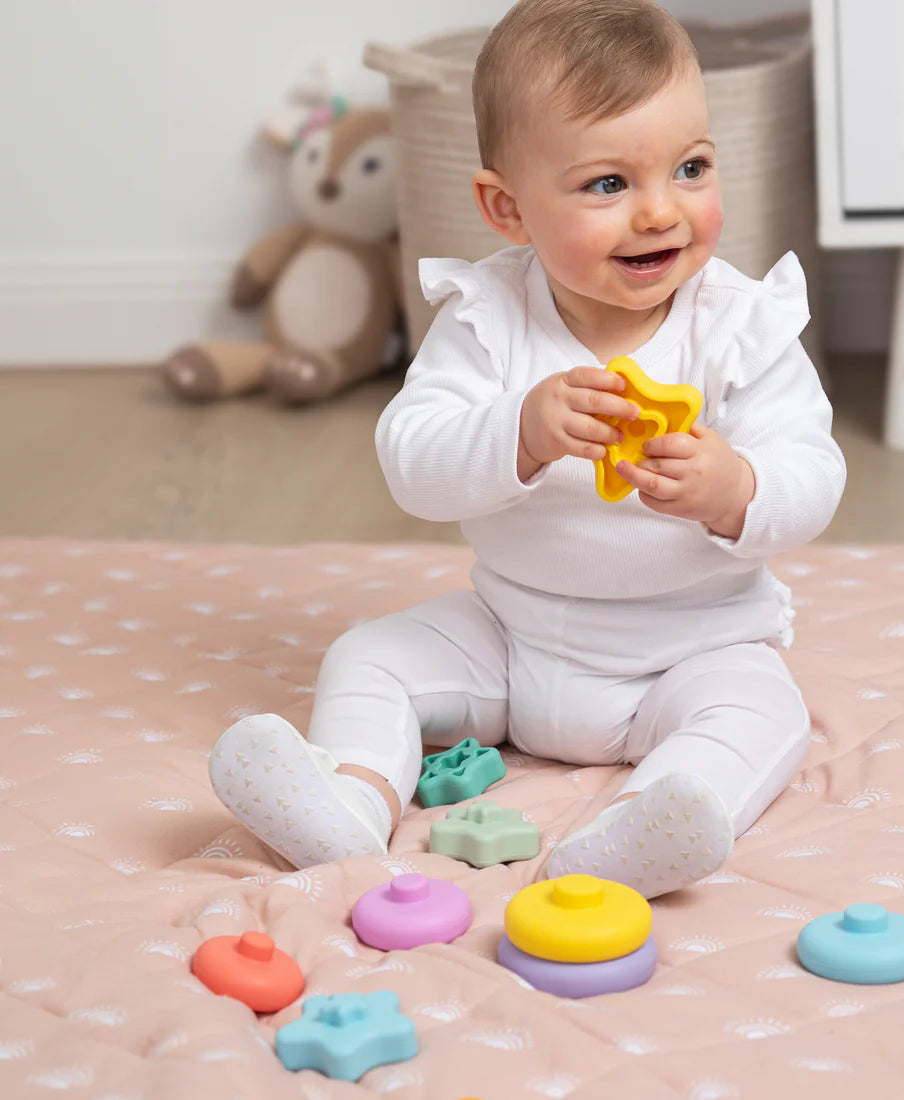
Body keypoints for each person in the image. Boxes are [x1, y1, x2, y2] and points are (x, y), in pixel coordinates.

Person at [208, 0, 845, 898]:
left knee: (765, 709)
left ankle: (646, 826)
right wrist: (517, 433)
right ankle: (347, 801)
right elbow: (411, 461)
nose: (660, 211)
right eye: (607, 185)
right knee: (368, 653)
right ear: (507, 207)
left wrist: (735, 487)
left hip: (691, 648)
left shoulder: (742, 326)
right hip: (512, 635)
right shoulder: (486, 317)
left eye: (690, 168)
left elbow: (814, 471)